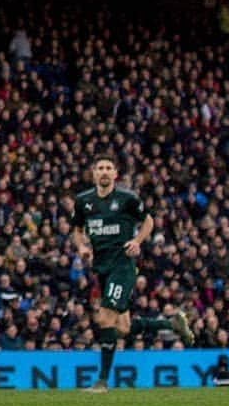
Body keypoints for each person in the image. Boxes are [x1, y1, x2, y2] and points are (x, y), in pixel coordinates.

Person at [71, 152, 193, 392]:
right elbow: (77, 230)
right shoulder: (83, 201)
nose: (104, 171)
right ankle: (170, 324)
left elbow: (148, 221)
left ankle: (102, 381)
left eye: (109, 168)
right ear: (94, 173)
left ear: (115, 174)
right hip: (102, 267)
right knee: (123, 328)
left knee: (104, 318)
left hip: (122, 266)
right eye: (100, 168)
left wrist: (137, 241)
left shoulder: (127, 198)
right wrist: (82, 247)